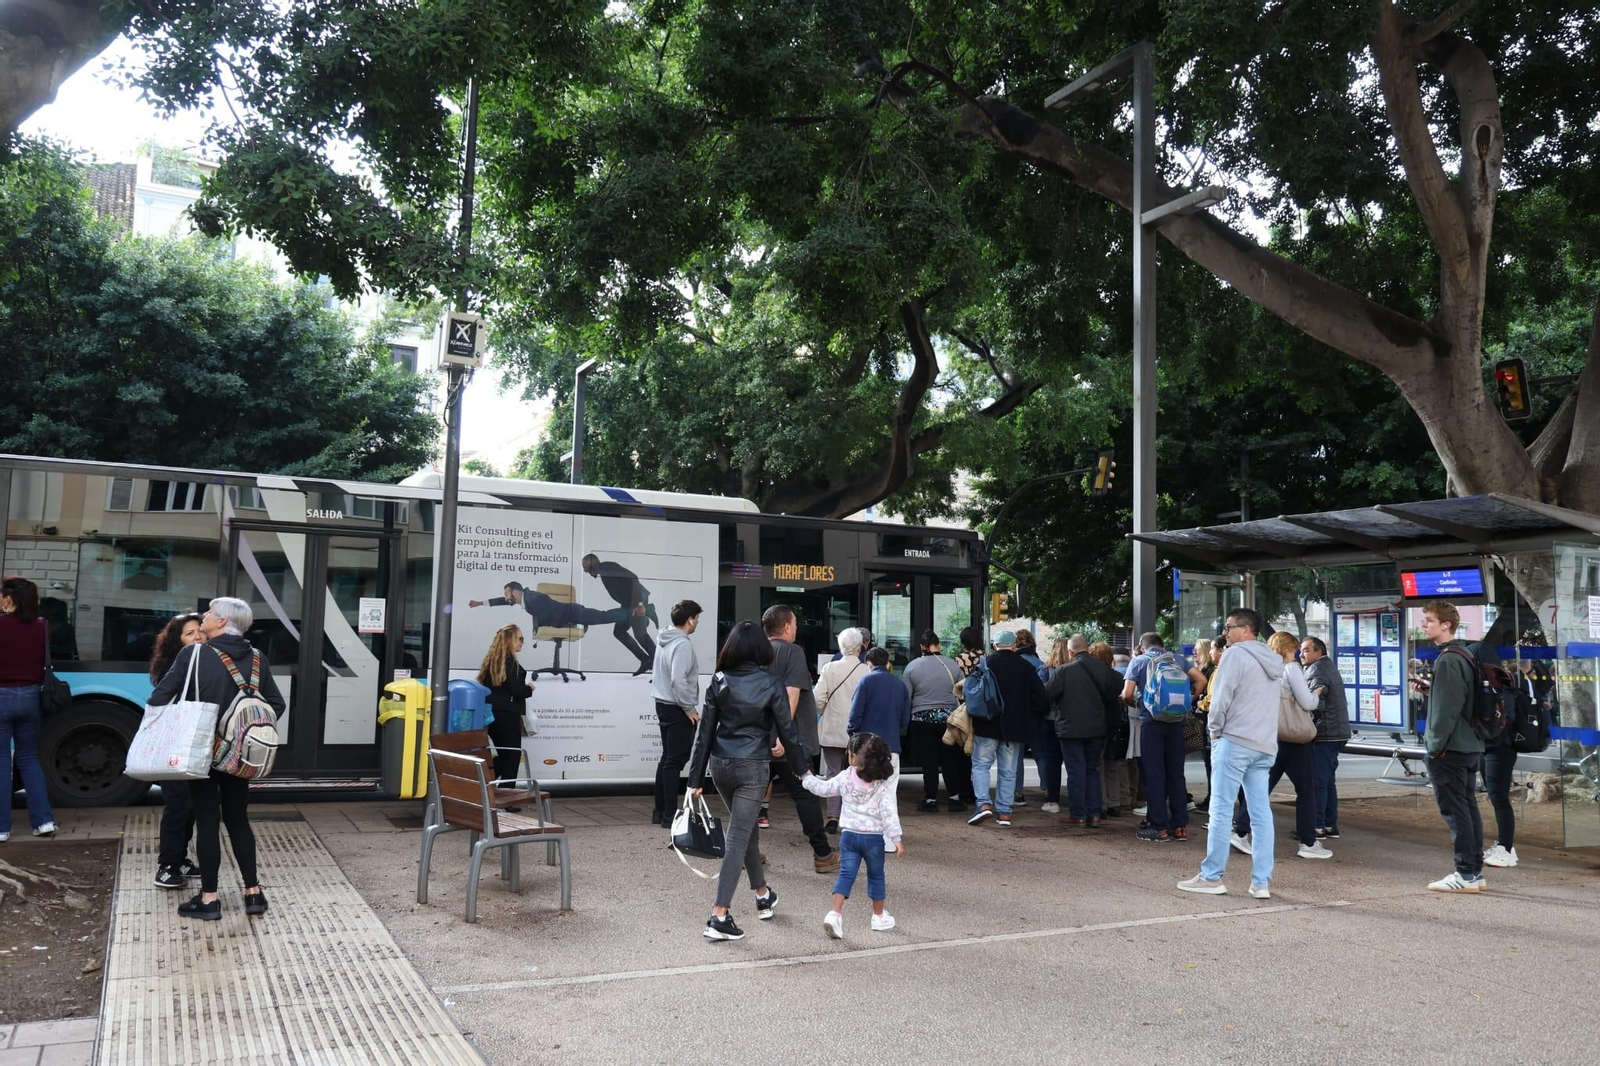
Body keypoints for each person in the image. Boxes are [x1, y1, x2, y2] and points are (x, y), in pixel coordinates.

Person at [147, 597, 285, 920]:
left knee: (208, 821)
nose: (205, 618)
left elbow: (158, 697)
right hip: (240, 757)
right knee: (238, 817)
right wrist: (239, 732)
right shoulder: (257, 658)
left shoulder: (193, 654)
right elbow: (276, 705)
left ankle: (209, 899)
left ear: (222, 622)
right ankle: (253, 894)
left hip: (204, 753)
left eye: (209, 613)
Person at [686, 621, 809, 941]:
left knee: (748, 832)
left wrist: (695, 777)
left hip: (721, 767)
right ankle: (718, 916)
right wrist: (803, 770)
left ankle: (763, 894)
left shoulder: (719, 680)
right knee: (738, 837)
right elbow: (788, 731)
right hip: (753, 768)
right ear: (761, 650)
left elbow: (705, 733)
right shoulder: (771, 683)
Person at [1177, 608, 1281, 898]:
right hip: (1263, 745)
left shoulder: (1235, 655)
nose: (1225, 633)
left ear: (1246, 630)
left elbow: (1220, 698)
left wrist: (1214, 730)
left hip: (1234, 740)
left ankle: (1212, 877)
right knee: (1261, 814)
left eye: (1229, 627)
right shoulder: (1273, 660)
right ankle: (1261, 882)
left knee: (1221, 810)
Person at [1232, 632, 1327, 861]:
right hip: (1294, 737)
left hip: (1270, 734)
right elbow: (1306, 702)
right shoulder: (1290, 668)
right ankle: (1308, 842)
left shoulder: (1262, 667)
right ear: (1287, 648)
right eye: (1295, 649)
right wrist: (1316, 695)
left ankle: (1241, 829)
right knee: (1307, 789)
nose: (1296, 653)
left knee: (1261, 786)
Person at [802, 732, 905, 938]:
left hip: (849, 837)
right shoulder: (881, 785)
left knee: (846, 874)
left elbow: (822, 788)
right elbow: (889, 813)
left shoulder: (845, 777)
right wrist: (896, 838)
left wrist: (806, 777)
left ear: (851, 756)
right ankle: (878, 916)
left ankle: (835, 914)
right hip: (873, 839)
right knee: (876, 876)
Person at [761, 605, 839, 873]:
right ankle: (822, 853)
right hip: (788, 741)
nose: (796, 628)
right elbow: (791, 694)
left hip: (758, 737)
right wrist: (783, 734)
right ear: (785, 627)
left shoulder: (754, 650)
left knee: (750, 796)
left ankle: (746, 851)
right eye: (794, 623)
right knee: (805, 795)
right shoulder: (792, 652)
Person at [1419, 600, 1487, 892]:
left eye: (1430, 620)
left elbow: (1446, 710)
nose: (1424, 624)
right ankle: (1474, 871)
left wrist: (1434, 747)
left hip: (1450, 748)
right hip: (1469, 744)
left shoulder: (1447, 659)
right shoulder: (1465, 654)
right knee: (1467, 807)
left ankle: (1466, 873)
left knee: (1455, 808)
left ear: (1446, 625)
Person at [1123, 633, 1207, 843]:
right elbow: (1201, 679)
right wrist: (1188, 700)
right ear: (1162, 645)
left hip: (1151, 723)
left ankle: (1158, 826)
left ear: (1143, 648)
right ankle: (1179, 826)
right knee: (1176, 774)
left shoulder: (1139, 661)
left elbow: (1127, 693)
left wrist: (1137, 705)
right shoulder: (1177, 659)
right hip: (1176, 722)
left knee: (1154, 774)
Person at [967, 630, 1047, 828]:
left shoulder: (985, 664)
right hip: (1014, 727)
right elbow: (1041, 698)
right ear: (1014, 646)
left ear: (995, 645)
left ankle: (984, 804)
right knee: (1008, 770)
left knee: (981, 765)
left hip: (987, 724)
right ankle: (1004, 813)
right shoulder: (1025, 667)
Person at [0, 576, 57, 843]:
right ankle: (43, 821)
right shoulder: (41, 626)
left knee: (1, 762)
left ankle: (2, 827)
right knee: (28, 759)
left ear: (9, 599)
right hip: (32, 697)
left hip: (1, 697)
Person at [151, 612, 205, 888]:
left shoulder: (202, 662)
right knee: (177, 806)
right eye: (189, 633)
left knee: (190, 806)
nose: (197, 636)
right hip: (174, 745)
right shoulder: (174, 666)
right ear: (177, 641)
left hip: (193, 745)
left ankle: (180, 859)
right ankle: (166, 866)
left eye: (199, 631)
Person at [1047, 634, 1122, 827]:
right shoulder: (1103, 670)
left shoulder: (1063, 671)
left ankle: (1078, 814)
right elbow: (1111, 695)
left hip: (1070, 728)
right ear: (1087, 649)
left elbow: (1047, 695)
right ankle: (1095, 814)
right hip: (1096, 728)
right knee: (1092, 770)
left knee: (1075, 772)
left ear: (1071, 652)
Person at [901, 630, 968, 813]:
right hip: (948, 719)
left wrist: (905, 720)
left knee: (928, 761)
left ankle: (930, 800)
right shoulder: (952, 665)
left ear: (922, 647)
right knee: (950, 759)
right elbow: (963, 690)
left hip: (921, 718)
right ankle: (954, 799)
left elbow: (907, 696)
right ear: (939, 645)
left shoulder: (912, 667)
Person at [649, 599, 702, 825]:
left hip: (662, 704)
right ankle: (670, 816)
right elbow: (678, 679)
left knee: (666, 760)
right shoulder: (682, 644)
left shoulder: (665, 639)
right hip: (677, 707)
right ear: (690, 619)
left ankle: (660, 812)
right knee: (674, 762)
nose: (698, 622)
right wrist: (689, 708)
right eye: (697, 618)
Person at [848, 646, 911, 835]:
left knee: (864, 791)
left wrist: (852, 734)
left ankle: (866, 832)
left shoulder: (865, 681)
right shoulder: (900, 685)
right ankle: (890, 837)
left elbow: (854, 715)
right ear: (887, 662)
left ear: (869, 664)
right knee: (889, 792)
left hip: (866, 747)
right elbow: (904, 720)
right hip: (891, 746)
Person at [814, 628, 870, 830]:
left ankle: (832, 817)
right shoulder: (866, 671)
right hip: (859, 732)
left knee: (833, 772)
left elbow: (818, 699)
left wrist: (823, 711)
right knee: (857, 773)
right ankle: (853, 817)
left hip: (833, 729)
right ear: (861, 646)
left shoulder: (830, 668)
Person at [1300, 636, 1350, 840]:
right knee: (1328, 780)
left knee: (1319, 781)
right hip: (1335, 732)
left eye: (1306, 650)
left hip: (1325, 733)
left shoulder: (1317, 670)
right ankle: (1329, 824)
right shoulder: (1327, 666)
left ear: (1318, 652)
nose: (1301, 654)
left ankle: (1318, 825)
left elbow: (1315, 703)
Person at [580, 553, 658, 675]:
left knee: (641, 635)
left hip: (636, 601)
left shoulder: (607, 568)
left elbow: (634, 577)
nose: (584, 570)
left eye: (585, 566)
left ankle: (659, 664)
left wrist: (640, 604)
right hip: (628, 603)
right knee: (619, 632)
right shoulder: (603, 571)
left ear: (592, 563)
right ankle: (645, 660)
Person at [477, 623, 534, 786]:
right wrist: (529, 688)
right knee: (512, 756)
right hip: (507, 715)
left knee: (504, 755)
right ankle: (505, 796)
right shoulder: (510, 663)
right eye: (520, 639)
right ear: (510, 640)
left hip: (491, 715)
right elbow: (517, 691)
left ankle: (480, 783)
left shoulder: (492, 662)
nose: (523, 642)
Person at [467, 581, 630, 634]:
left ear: (515, 592)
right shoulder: (526, 599)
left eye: (507, 594)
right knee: (602, 617)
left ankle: (630, 613)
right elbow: (502, 601)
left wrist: (571, 625)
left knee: (603, 617)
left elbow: (552, 613)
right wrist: (480, 603)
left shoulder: (535, 598)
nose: (505, 597)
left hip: (573, 613)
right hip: (571, 615)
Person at [1016, 630, 1062, 813]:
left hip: (1018, 715)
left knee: (1016, 756)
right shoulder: (1039, 664)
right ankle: (1047, 789)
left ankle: (1018, 793)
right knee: (1041, 755)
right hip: (1037, 716)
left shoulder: (1016, 663)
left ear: (1016, 644)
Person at [1094, 642, 1137, 816]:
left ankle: (1102, 803)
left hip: (1098, 724)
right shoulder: (1116, 677)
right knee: (1112, 764)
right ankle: (1114, 803)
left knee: (1099, 766)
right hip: (1115, 723)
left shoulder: (1096, 676)